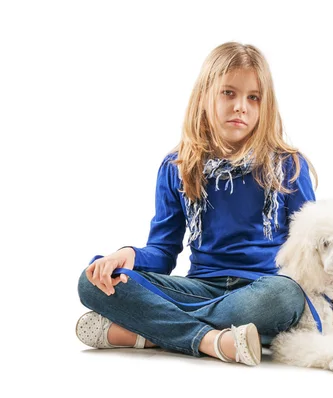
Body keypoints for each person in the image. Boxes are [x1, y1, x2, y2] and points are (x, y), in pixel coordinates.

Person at [76, 42, 317, 366]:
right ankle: (212, 340)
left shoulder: (288, 166)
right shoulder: (177, 167)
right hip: (200, 288)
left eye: (253, 97)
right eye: (228, 93)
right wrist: (127, 256)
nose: (240, 107)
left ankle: (150, 332)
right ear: (205, 96)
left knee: (285, 297)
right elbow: (162, 253)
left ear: (265, 105)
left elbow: (313, 250)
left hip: (261, 290)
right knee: (91, 283)